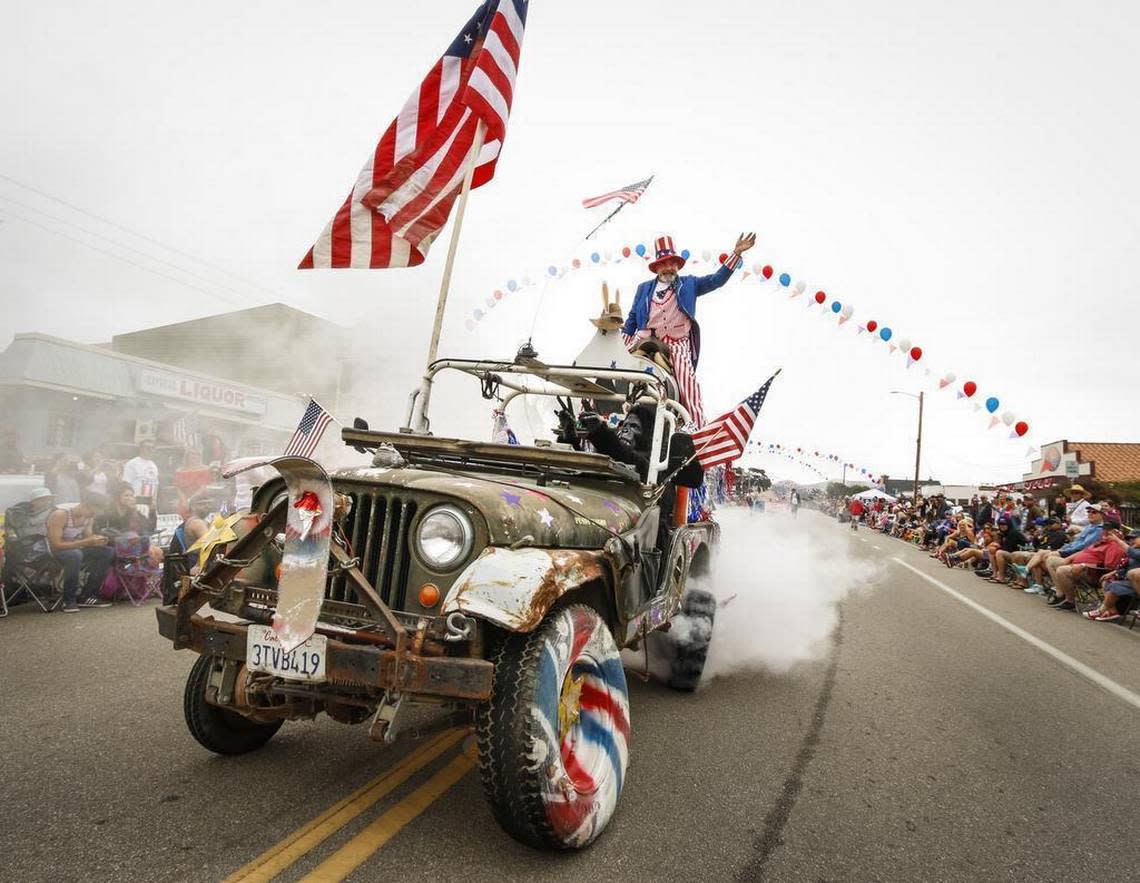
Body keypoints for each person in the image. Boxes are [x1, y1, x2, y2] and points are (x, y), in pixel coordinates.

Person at [622, 232, 755, 426]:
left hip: (675, 342)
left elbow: (716, 281)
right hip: (645, 338)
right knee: (613, 365)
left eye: (672, 262)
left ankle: (697, 426)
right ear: (657, 266)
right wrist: (621, 344)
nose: (669, 267)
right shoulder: (644, 288)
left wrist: (736, 253)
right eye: (664, 263)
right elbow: (633, 318)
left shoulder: (689, 284)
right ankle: (593, 412)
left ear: (677, 265)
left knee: (686, 378)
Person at [45, 493, 114, 612]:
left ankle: (89, 595)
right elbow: (55, 545)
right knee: (75, 555)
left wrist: (97, 541)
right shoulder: (61, 514)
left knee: (107, 552)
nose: (93, 516)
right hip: (56, 551)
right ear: (84, 505)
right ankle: (69, 599)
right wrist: (85, 542)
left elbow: (87, 537)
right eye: (92, 512)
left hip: (75, 547)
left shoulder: (88, 517)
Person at [1046, 515, 1128, 611]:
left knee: (1062, 570)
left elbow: (1108, 567)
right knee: (1051, 560)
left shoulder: (1115, 546)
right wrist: (1069, 558)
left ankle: (1070, 601)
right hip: (1078, 565)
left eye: (1108, 531)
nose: (1104, 532)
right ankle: (1060, 592)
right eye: (1104, 529)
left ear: (1116, 532)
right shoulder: (1102, 541)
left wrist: (1084, 565)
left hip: (1092, 573)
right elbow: (1085, 551)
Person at [1085, 528, 1140, 622]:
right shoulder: (1133, 550)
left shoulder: (1134, 551)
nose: (1131, 541)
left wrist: (1118, 540)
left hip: (1135, 582)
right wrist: (1113, 572)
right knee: (1107, 580)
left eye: (1134, 538)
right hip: (1126, 578)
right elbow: (1125, 565)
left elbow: (1135, 555)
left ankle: (1101, 611)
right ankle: (1112, 611)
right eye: (1129, 539)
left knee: (1114, 585)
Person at [121, 440, 160, 511]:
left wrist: (154, 501)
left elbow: (156, 485)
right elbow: (126, 484)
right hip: (136, 500)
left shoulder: (154, 465)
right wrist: (130, 502)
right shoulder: (132, 463)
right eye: (147, 447)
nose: (150, 450)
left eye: (152, 448)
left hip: (149, 502)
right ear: (141, 448)